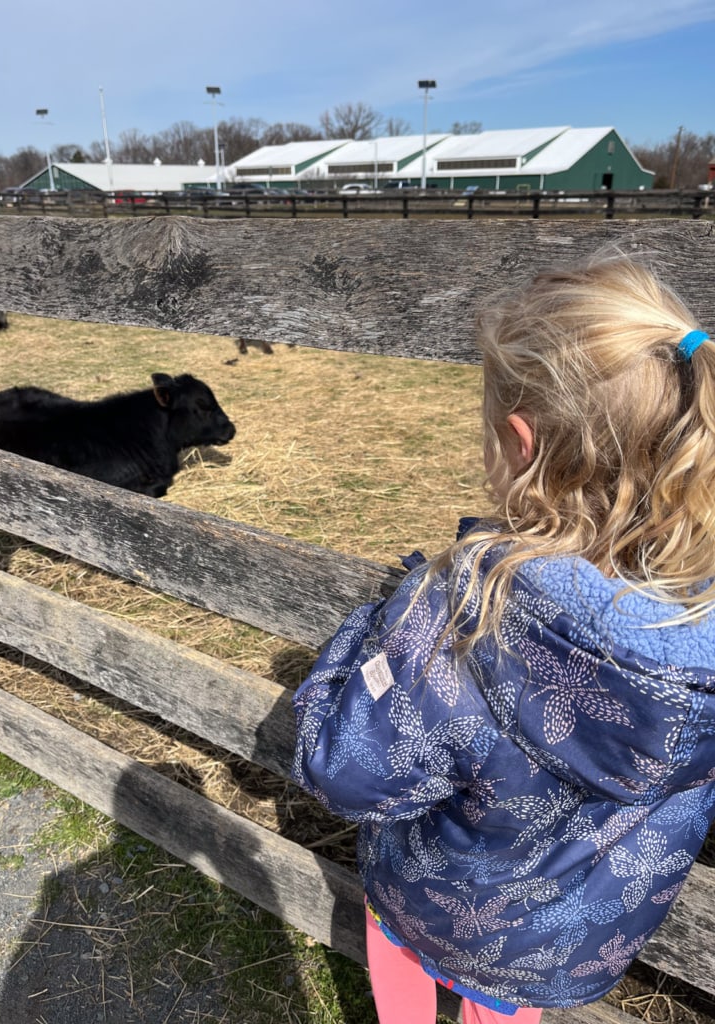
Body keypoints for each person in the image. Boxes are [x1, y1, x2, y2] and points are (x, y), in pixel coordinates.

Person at [291, 250, 715, 1024]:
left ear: (519, 444)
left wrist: (365, 638)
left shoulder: (465, 616)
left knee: (402, 971)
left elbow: (341, 773)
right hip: (568, 944)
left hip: (434, 904)